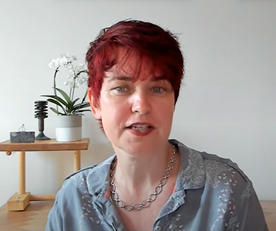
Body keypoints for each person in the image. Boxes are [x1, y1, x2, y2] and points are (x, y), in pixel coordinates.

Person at [45, 20, 268, 231]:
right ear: (95, 103)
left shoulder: (227, 190)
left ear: (173, 101)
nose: (141, 106)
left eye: (158, 89)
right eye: (121, 88)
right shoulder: (73, 198)